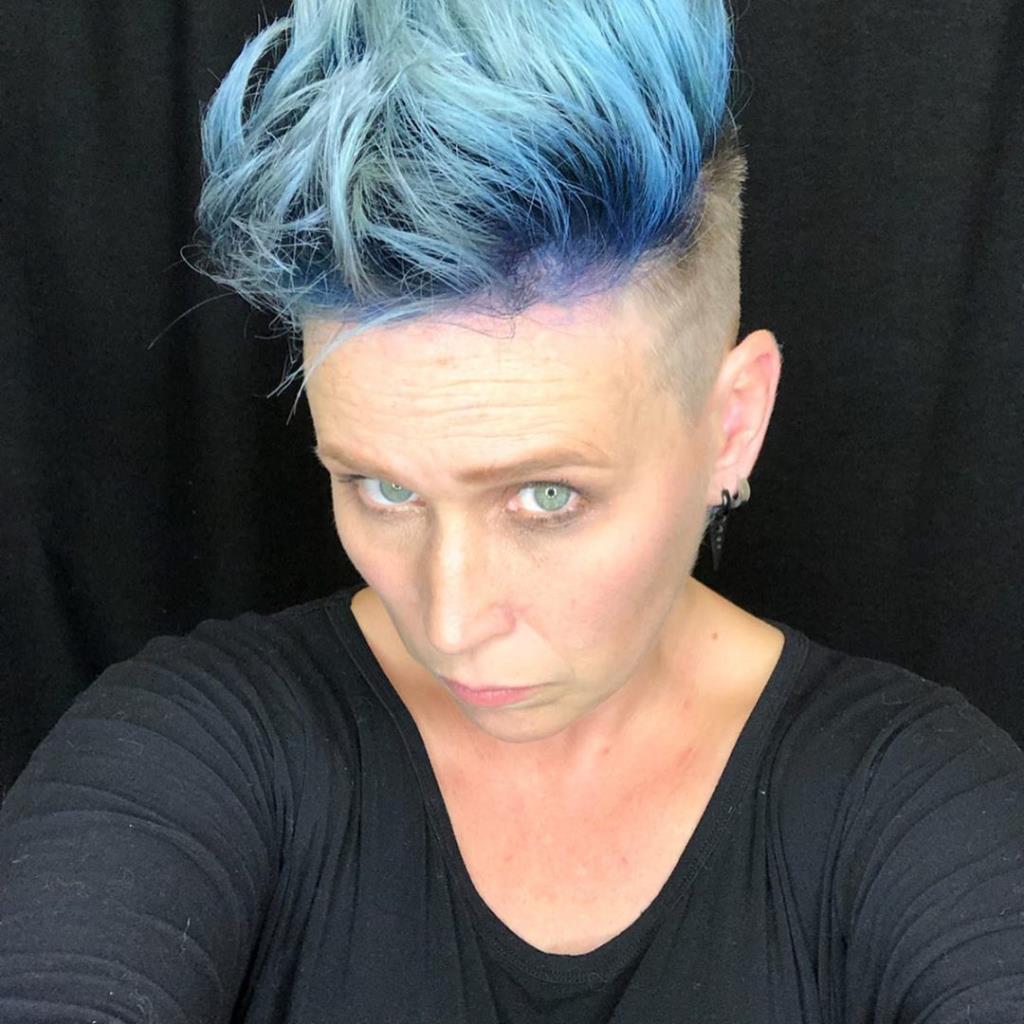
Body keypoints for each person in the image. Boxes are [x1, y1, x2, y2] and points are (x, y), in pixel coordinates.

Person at [1, 0, 1022, 1020]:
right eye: (384, 488)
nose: (451, 622)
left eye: (546, 497)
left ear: (732, 424)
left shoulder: (918, 801)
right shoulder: (200, 739)